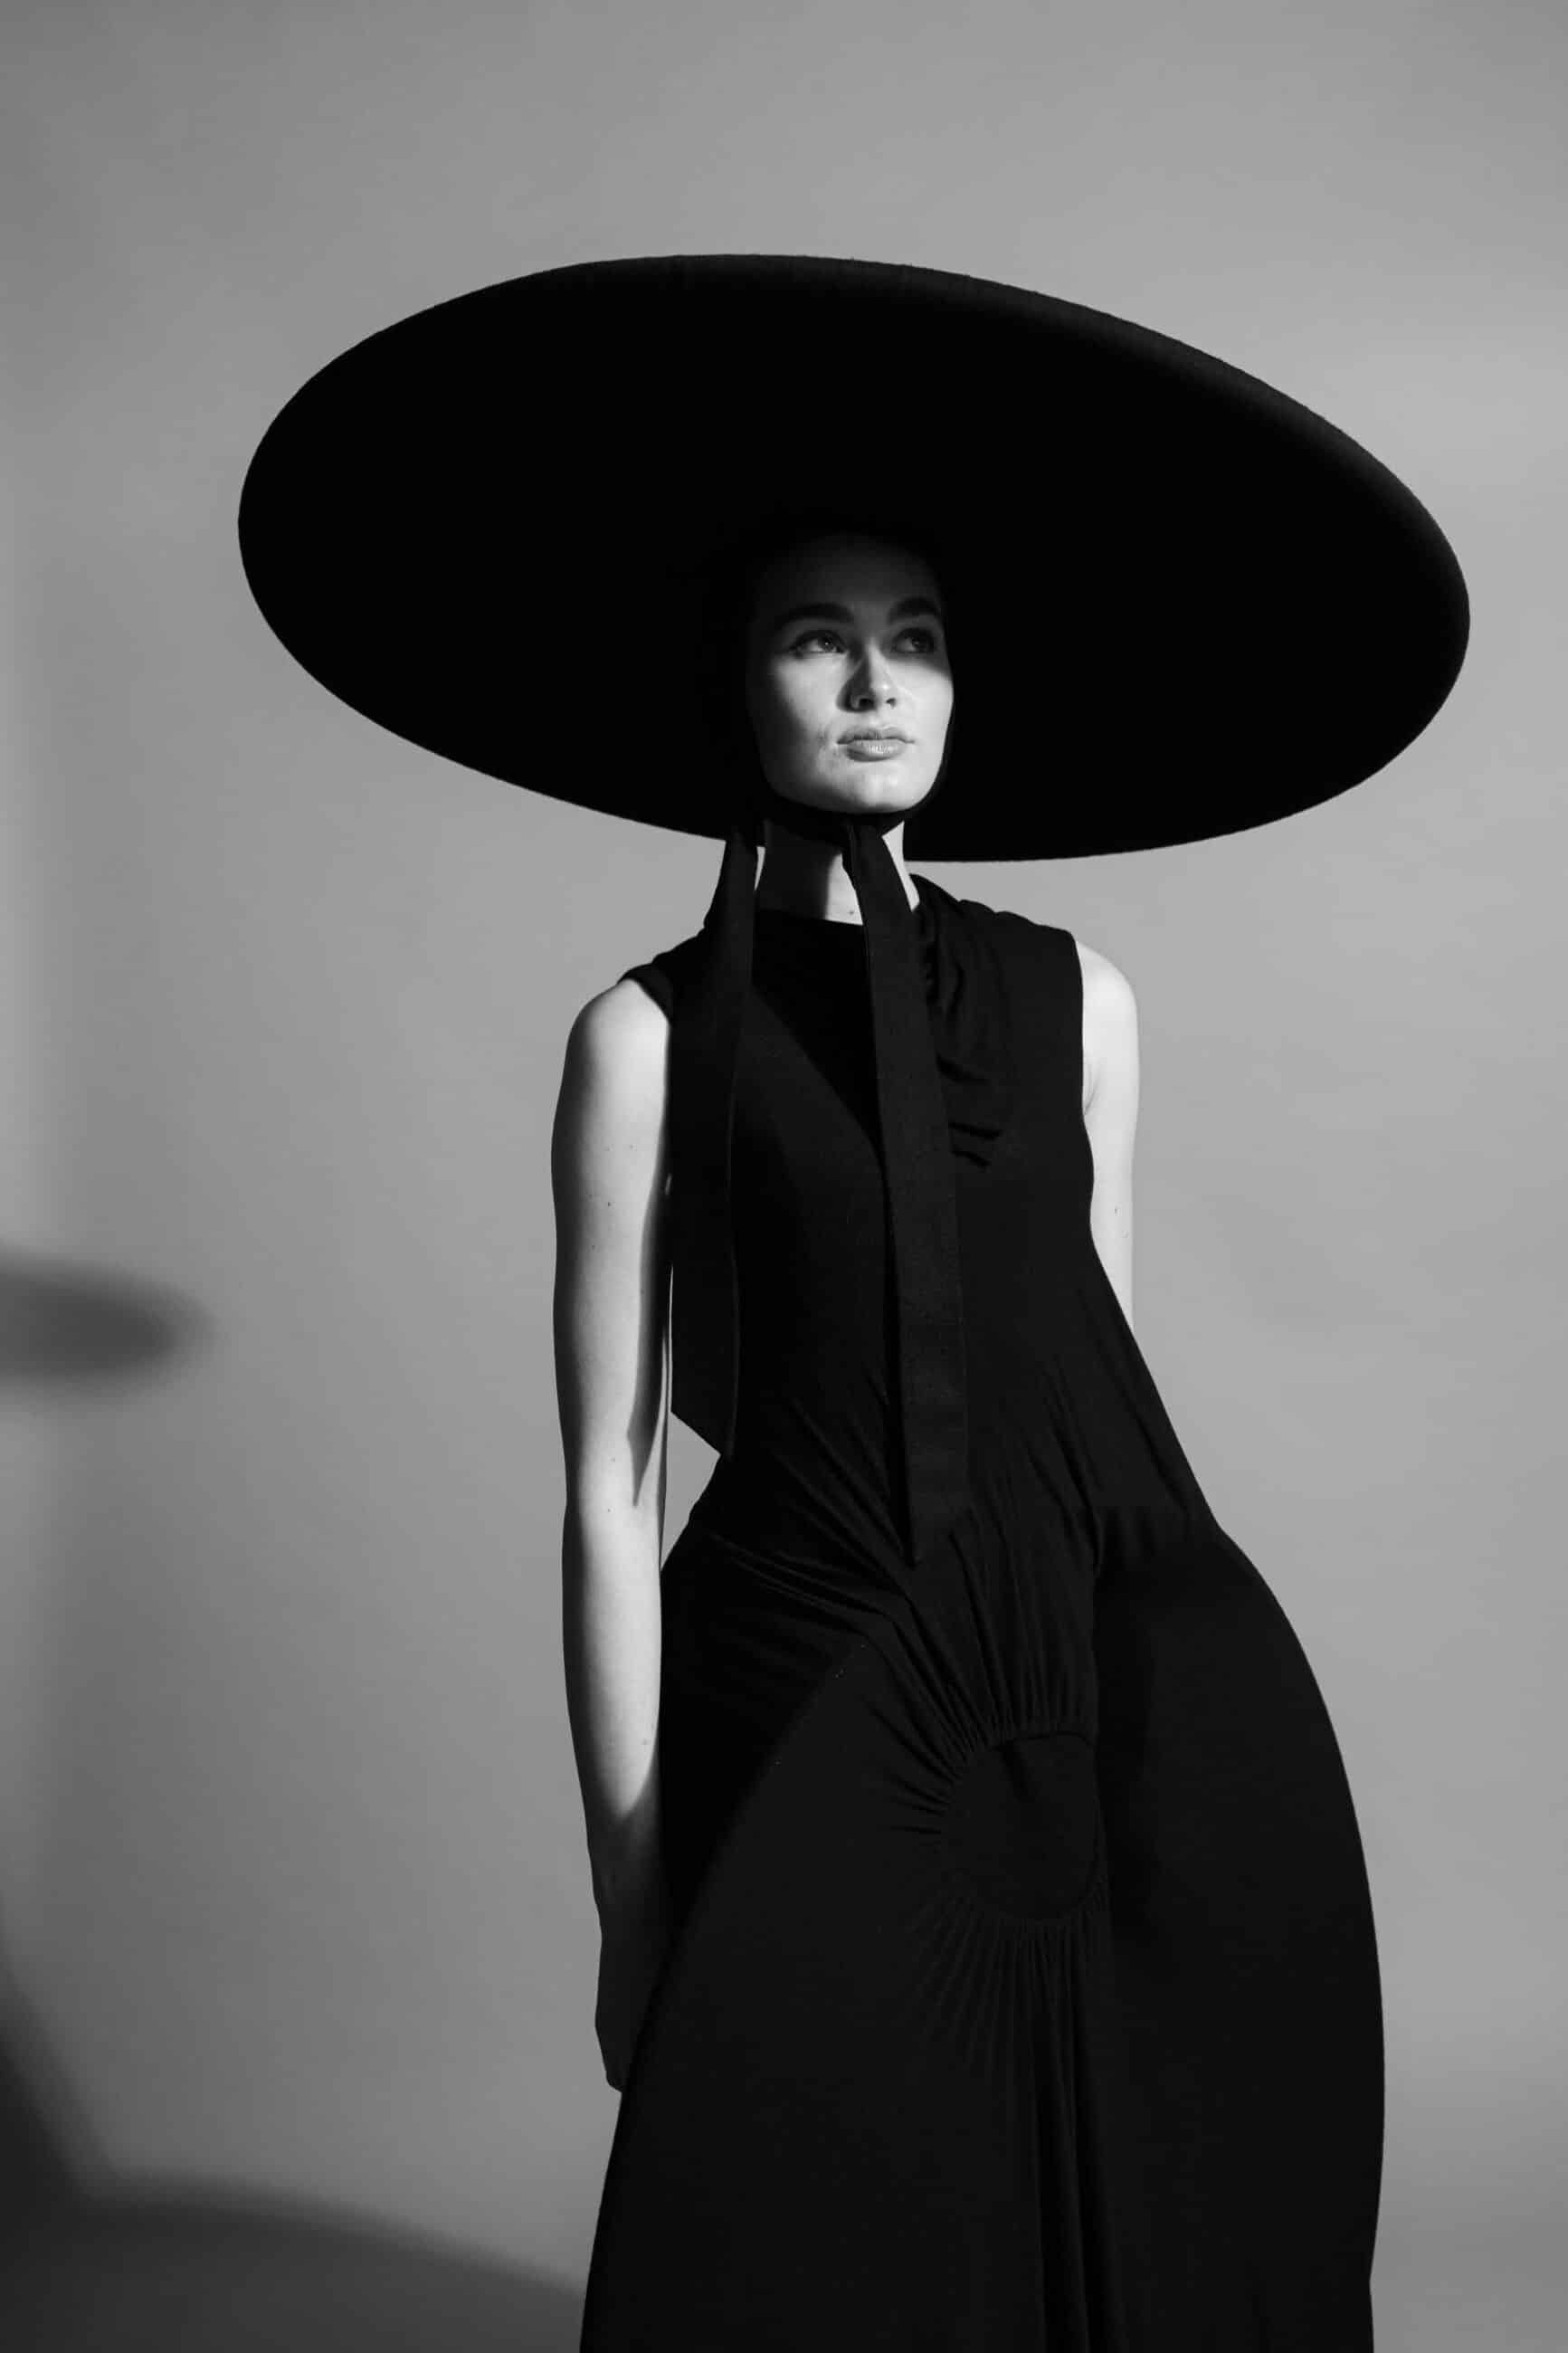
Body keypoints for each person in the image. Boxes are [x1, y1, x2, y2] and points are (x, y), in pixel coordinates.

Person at [236, 248, 1468, 2350]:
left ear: (969, 687)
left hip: (1079, 1715)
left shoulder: (1082, 998)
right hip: (796, 1685)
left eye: (918, 641)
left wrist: (1176, 1743)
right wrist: (631, 1897)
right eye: (823, 640)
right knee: (821, 2245)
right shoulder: (641, 1041)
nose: (879, 685)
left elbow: (1109, 1414)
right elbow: (605, 1497)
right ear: (745, 683)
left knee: (1138, 2219)